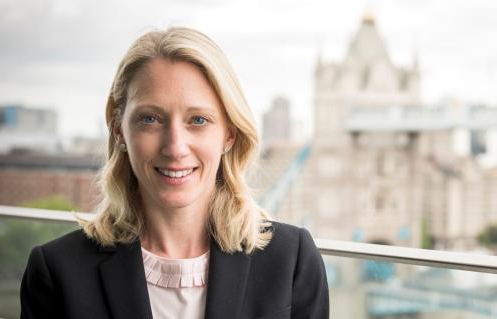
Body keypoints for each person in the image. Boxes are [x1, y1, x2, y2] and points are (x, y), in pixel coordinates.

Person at [20, 27, 329, 319]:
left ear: (230, 135)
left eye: (198, 120)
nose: (175, 147)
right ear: (119, 130)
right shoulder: (56, 271)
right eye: (151, 119)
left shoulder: (292, 261)